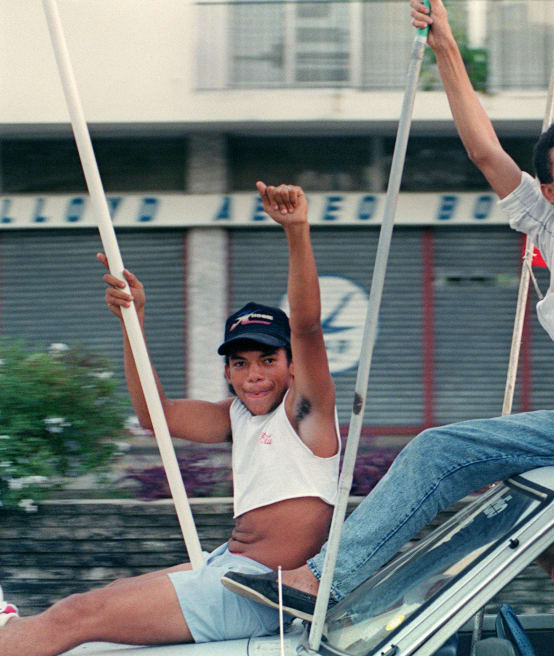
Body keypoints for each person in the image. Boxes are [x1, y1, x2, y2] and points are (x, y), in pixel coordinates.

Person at [222, 1, 554, 652]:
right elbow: (486, 153)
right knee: (437, 448)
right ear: (551, 190)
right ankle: (323, 580)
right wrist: (446, 44)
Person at [0, 182, 341, 655]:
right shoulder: (237, 417)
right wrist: (133, 322)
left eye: (267, 360)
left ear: (291, 365)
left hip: (264, 594)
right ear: (226, 371)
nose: (254, 375)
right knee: (101, 597)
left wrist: (297, 231)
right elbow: (153, 417)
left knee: (77, 616)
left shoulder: (307, 411)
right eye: (240, 364)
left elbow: (306, 326)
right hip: (226, 568)